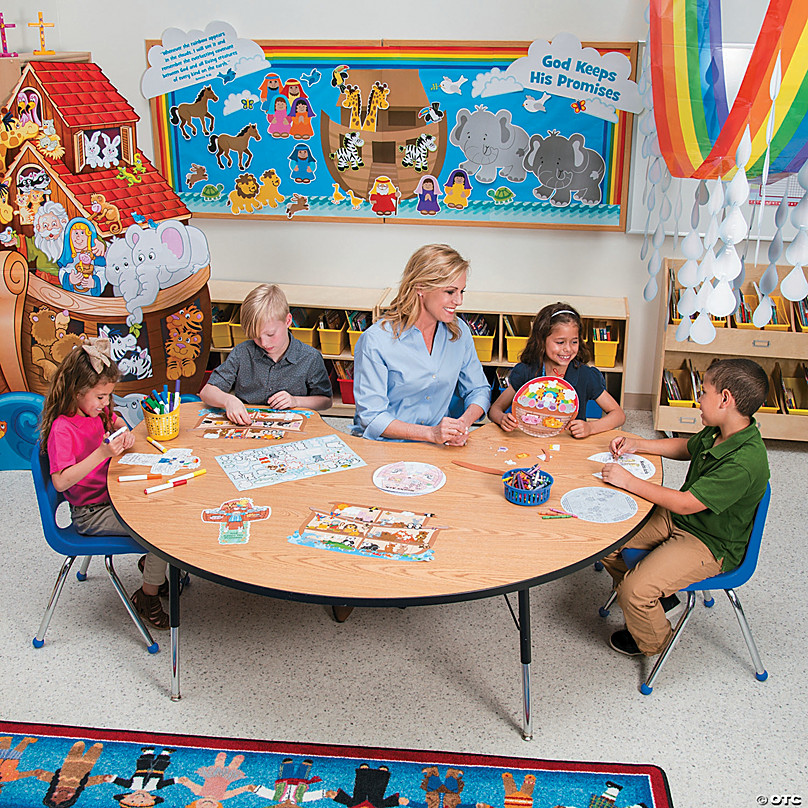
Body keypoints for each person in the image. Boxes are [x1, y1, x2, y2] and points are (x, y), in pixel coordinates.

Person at [599, 357, 770, 657]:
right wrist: (638, 445)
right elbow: (685, 447)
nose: (698, 400)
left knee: (633, 592)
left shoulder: (744, 461)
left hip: (709, 543)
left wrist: (627, 481)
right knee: (607, 542)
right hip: (680, 519)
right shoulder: (720, 430)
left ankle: (655, 642)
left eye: (703, 392)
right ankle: (660, 600)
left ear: (726, 399)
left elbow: (686, 503)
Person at [39, 339, 169, 630]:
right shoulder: (63, 428)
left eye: (109, 396)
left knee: (167, 503)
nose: (106, 403)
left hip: (114, 493)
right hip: (91, 511)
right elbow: (60, 481)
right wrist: (102, 453)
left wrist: (123, 430)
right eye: (100, 397)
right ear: (76, 392)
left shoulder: (94, 411)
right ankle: (146, 597)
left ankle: (152, 571)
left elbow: (115, 419)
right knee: (159, 531)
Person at [352, 243, 491, 445]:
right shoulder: (375, 341)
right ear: (420, 288)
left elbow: (479, 389)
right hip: (386, 445)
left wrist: (462, 423)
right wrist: (430, 434)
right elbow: (371, 417)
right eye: (450, 292)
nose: (459, 300)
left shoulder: (459, 332)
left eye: (462, 291)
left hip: (439, 444)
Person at [200, 283, 332, 425]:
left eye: (270, 334)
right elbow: (207, 391)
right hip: (247, 426)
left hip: (293, 428)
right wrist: (228, 400)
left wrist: (295, 400)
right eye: (256, 336)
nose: (264, 343)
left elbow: (325, 401)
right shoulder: (242, 353)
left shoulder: (310, 357)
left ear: (288, 321)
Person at [488, 302, 625, 437]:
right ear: (542, 340)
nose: (568, 349)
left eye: (574, 341)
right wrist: (502, 418)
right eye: (560, 342)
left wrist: (590, 427)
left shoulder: (585, 375)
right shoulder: (527, 371)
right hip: (531, 443)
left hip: (570, 447)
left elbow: (618, 415)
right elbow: (495, 409)